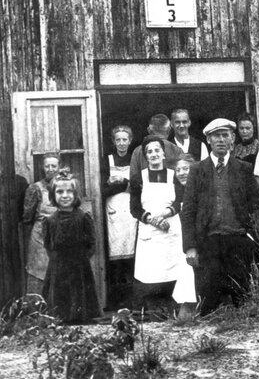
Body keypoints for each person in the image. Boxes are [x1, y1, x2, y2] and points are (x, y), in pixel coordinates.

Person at [181, 118, 259, 315]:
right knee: (208, 303)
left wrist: (254, 238)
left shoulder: (243, 169)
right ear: (208, 140)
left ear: (232, 139)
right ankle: (209, 342)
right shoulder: (197, 170)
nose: (220, 140)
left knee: (242, 300)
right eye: (215, 136)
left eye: (225, 135)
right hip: (207, 242)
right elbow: (189, 210)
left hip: (238, 242)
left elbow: (257, 206)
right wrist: (190, 247)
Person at [129, 135, 186, 311]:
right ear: (145, 156)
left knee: (174, 271)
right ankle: (154, 313)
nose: (153, 154)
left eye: (156, 150)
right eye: (149, 151)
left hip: (171, 230)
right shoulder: (139, 178)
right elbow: (135, 208)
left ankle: (174, 310)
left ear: (163, 154)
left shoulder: (173, 175)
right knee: (151, 274)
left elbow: (180, 201)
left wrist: (166, 214)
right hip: (150, 233)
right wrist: (153, 220)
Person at [42, 172, 102, 322]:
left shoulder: (83, 218)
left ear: (76, 195)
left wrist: (81, 259)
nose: (65, 195)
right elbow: (48, 244)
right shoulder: (50, 221)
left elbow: (92, 243)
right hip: (58, 268)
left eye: (69, 191)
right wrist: (58, 260)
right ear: (53, 195)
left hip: (79, 268)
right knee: (59, 303)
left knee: (79, 300)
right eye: (60, 192)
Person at [101, 125, 137, 307]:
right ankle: (116, 301)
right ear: (113, 141)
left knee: (132, 254)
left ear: (130, 141)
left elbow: (138, 186)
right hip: (113, 212)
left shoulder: (135, 159)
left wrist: (121, 181)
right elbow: (102, 189)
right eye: (118, 140)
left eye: (125, 139)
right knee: (115, 256)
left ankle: (131, 300)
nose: (122, 143)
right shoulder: (106, 160)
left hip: (131, 212)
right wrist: (125, 185)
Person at [22, 152, 61, 294]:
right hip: (40, 237)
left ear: (59, 167)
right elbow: (27, 217)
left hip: (61, 235)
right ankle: (37, 312)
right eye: (47, 166)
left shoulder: (66, 186)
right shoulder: (35, 188)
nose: (50, 169)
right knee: (38, 273)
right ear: (43, 168)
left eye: (54, 166)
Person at [171, 154, 198, 320]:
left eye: (185, 169)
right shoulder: (177, 191)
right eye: (178, 170)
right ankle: (186, 307)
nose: (181, 173)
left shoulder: (199, 189)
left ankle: (189, 308)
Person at [129, 114, 184, 180]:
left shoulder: (137, 151)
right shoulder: (177, 151)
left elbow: (133, 179)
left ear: (149, 130)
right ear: (169, 129)